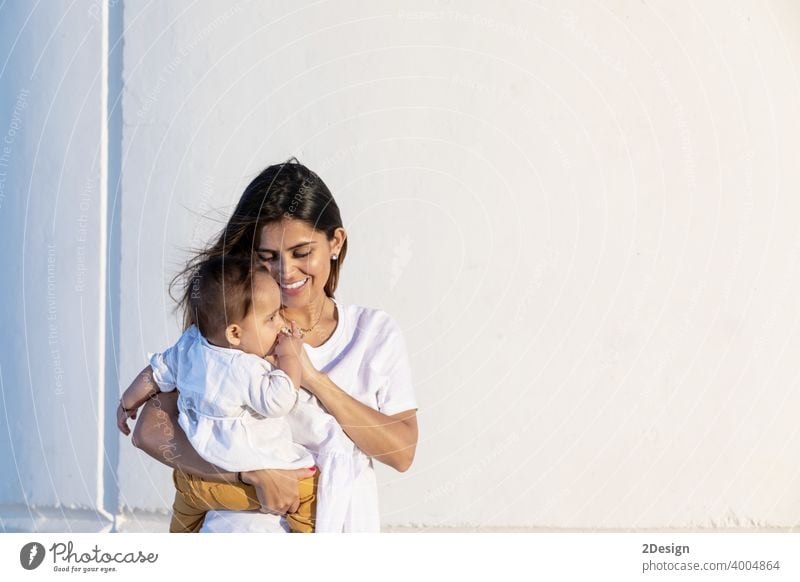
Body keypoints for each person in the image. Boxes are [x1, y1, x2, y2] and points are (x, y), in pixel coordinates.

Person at [131, 159, 418, 532]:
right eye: (268, 257)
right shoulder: (235, 332)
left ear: (335, 242)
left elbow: (401, 452)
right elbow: (150, 430)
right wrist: (246, 474)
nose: (286, 272)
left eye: (302, 253)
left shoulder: (374, 333)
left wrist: (311, 377)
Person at [117, 256, 357, 533]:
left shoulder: (190, 344)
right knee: (310, 495)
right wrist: (291, 356)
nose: (280, 323)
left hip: (194, 477)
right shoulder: (246, 367)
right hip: (249, 476)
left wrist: (127, 402)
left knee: (183, 522)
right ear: (234, 332)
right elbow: (278, 400)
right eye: (271, 318)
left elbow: (156, 371)